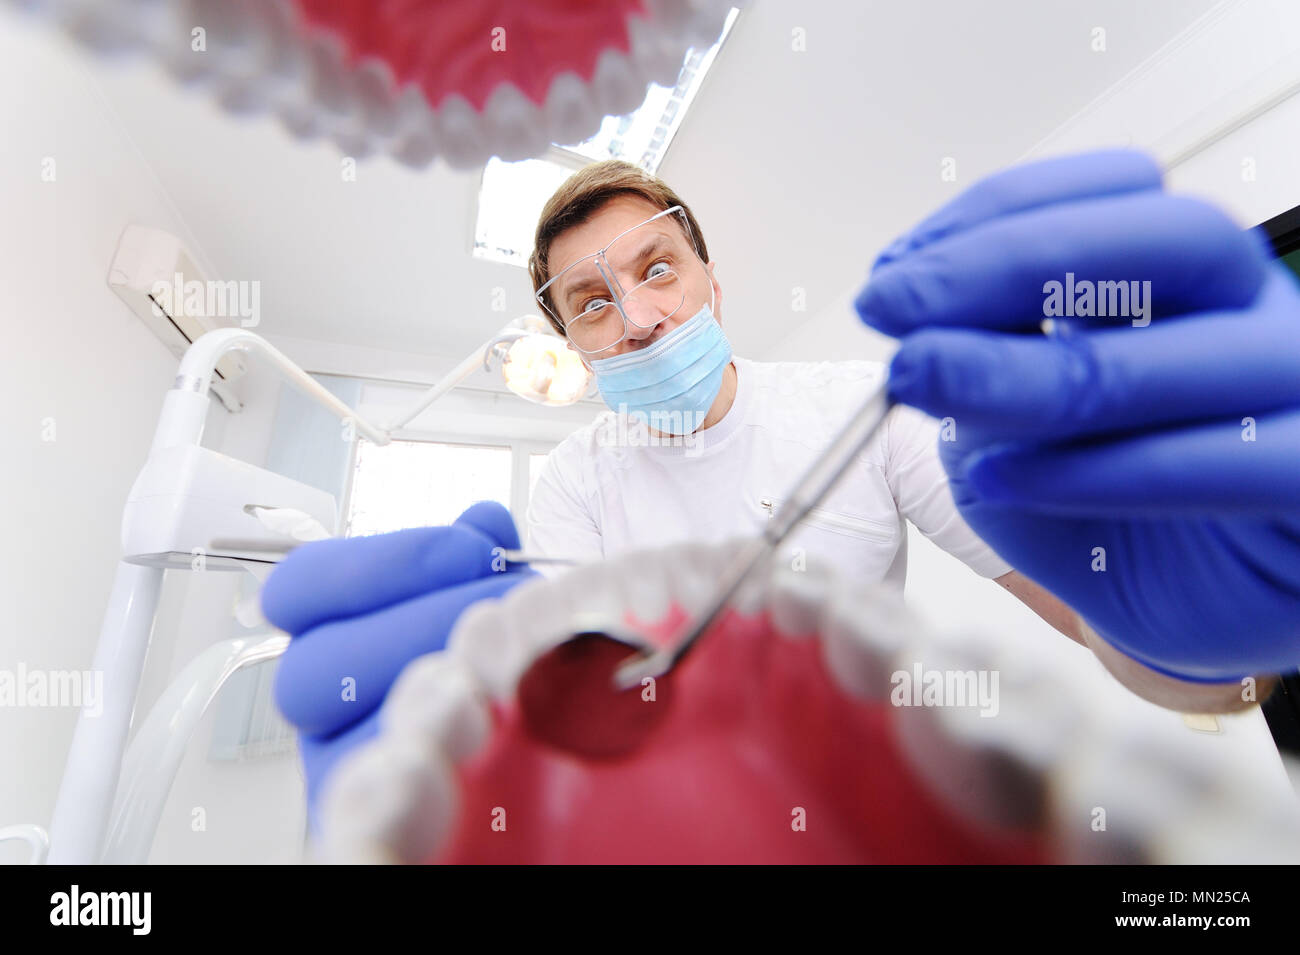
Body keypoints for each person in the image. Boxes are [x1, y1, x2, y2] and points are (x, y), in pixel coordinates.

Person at [263, 149, 1300, 827]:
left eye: (656, 269)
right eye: (590, 302)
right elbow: (589, 720)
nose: (636, 315)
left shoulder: (859, 407)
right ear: (574, 346)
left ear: (713, 280)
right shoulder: (577, 484)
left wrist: (1216, 651)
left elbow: (1190, 679)